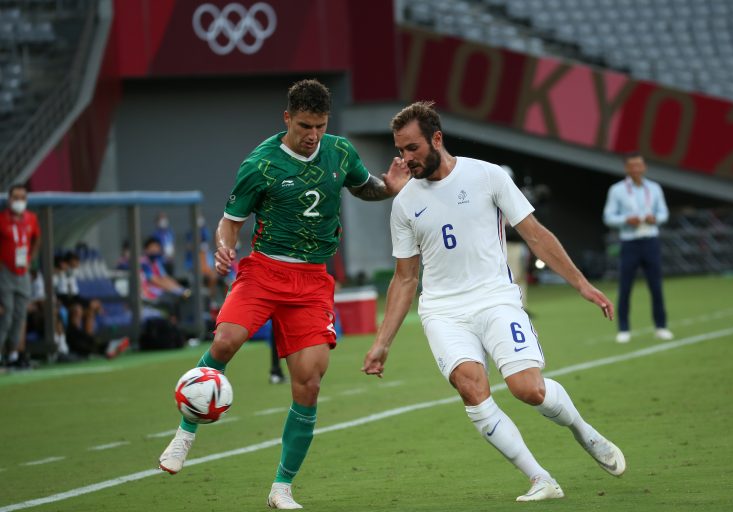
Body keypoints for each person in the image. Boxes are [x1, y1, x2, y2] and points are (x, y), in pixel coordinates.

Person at [157, 78, 410, 509]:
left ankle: (281, 487)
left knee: (309, 383)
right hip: (265, 271)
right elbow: (230, 221)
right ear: (287, 118)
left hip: (312, 282)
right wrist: (224, 246)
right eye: (305, 126)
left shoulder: (340, 151)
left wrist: (388, 187)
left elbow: (364, 186)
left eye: (321, 126)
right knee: (225, 340)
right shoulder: (260, 164)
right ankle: (185, 434)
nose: (313, 136)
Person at [361, 101, 625, 502]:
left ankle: (584, 432)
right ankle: (540, 479)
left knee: (527, 389)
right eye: (400, 150)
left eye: (412, 148)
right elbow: (404, 278)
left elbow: (535, 234)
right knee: (472, 388)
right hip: (443, 312)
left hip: (495, 299)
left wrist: (581, 284)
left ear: (436, 138)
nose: (405, 159)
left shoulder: (486, 176)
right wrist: (383, 342)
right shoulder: (403, 204)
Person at [602, 152, 673, 343]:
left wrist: (655, 218)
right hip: (630, 241)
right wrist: (625, 220)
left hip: (650, 240)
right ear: (626, 168)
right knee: (625, 287)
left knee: (656, 286)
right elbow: (608, 217)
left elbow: (664, 212)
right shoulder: (617, 190)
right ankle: (623, 329)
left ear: (644, 167)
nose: (636, 169)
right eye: (632, 166)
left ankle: (661, 326)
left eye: (639, 165)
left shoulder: (654, 188)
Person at [0, 184, 40, 367]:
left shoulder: (31, 219)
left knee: (20, 315)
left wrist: (31, 257)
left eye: (22, 198)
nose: (19, 201)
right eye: (15, 197)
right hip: (5, 271)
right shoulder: (1, 220)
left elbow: (37, 237)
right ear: (9, 200)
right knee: (5, 314)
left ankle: (14, 355)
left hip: (22, 271)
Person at [152, 212, 176, 276]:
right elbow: (154, 248)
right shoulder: (155, 234)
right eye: (161, 219)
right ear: (157, 222)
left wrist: (172, 255)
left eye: (164, 218)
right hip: (161, 262)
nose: (163, 221)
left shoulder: (170, 232)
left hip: (170, 261)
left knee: (171, 277)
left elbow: (172, 244)